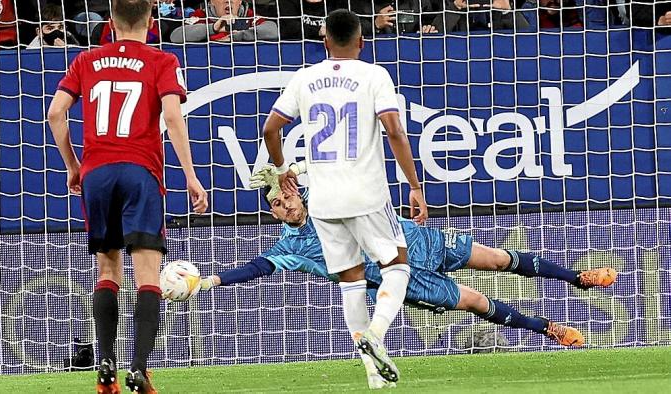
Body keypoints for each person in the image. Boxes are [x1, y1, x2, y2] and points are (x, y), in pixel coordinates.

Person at [184, 163, 617, 389]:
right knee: (476, 302)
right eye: (277, 202)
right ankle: (549, 329)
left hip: (411, 238)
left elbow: (330, 165)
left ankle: (579, 278)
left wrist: (292, 170)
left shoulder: (320, 192)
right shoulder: (289, 248)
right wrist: (210, 281)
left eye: (286, 195)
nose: (285, 203)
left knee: (499, 258)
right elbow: (256, 268)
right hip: (397, 276)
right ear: (274, 210)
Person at [46, 0, 208, 392]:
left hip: (97, 174)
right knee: (147, 275)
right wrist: (190, 176)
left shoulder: (86, 60)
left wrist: (73, 166)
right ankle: (138, 367)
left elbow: (55, 113)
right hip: (140, 172)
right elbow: (172, 116)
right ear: (151, 21)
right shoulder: (162, 61)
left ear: (111, 22)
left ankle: (105, 366)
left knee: (107, 270)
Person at [263, 9, 428, 385]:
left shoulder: (304, 78)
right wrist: (415, 185)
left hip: (322, 200)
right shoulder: (374, 75)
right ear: (361, 41)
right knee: (397, 266)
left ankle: (374, 376)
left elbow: (271, 127)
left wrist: (282, 167)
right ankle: (376, 334)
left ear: (324, 42)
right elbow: (394, 130)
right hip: (366, 194)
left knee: (350, 280)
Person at [169, 0, 278, 43]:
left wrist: (237, 36)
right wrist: (213, 28)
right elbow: (176, 35)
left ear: (240, 2)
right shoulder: (200, 16)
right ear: (212, 2)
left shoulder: (249, 15)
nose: (228, 1)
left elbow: (272, 30)